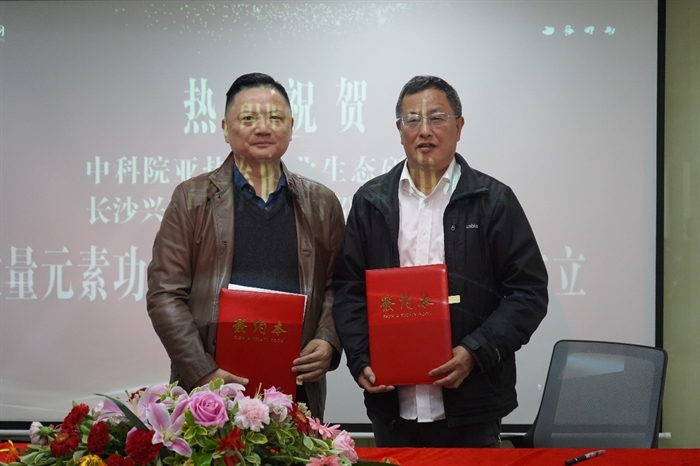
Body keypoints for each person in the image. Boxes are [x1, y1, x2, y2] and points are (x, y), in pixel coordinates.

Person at [332, 75, 548, 447]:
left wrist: (475, 352)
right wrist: (361, 358)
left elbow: (528, 292)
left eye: (437, 118)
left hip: (473, 404)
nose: (424, 130)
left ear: (459, 127)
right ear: (399, 130)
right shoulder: (370, 202)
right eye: (412, 120)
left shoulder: (492, 200)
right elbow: (349, 290)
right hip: (392, 406)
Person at [147, 72, 345, 420]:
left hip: (296, 391)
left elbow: (338, 286)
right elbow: (165, 294)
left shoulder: (321, 203)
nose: (263, 128)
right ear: (226, 128)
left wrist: (328, 339)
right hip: (210, 395)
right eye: (248, 118)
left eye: (275, 118)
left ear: (291, 126)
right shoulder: (191, 199)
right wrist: (202, 372)